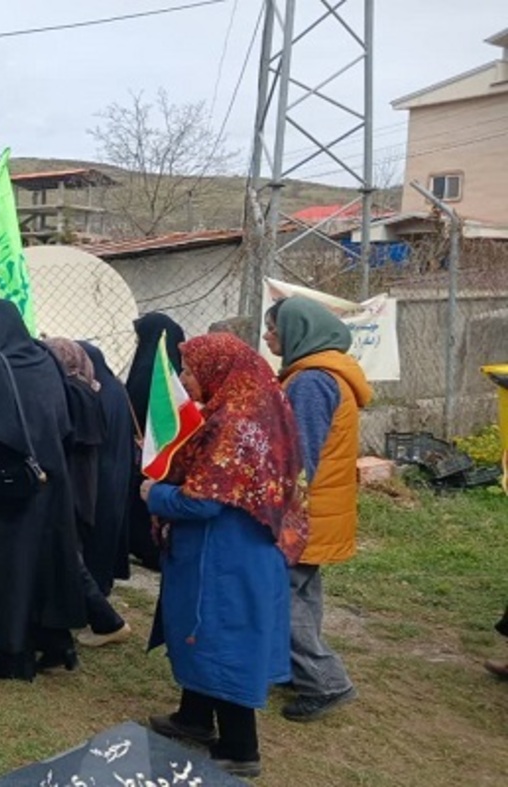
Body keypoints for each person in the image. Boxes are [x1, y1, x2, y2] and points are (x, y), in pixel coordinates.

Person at [143, 332, 306, 779]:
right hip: (239, 549)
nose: (185, 378)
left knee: (222, 638)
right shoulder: (261, 404)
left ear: (219, 369)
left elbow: (203, 502)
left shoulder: (234, 422)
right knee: (206, 633)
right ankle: (193, 716)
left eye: (191, 369)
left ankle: (240, 748)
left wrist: (155, 494)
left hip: (226, 554)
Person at [0, 296, 86, 682]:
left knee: (7, 569)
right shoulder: (44, 356)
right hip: (51, 477)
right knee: (47, 564)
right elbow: (64, 417)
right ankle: (55, 643)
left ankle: (11, 657)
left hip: (10, 485)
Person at [265, 295, 372, 722]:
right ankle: (301, 671)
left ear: (297, 332)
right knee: (302, 592)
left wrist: (276, 505)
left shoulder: (312, 381)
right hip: (322, 509)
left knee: (282, 595)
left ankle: (326, 682)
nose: (269, 336)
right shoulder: (328, 373)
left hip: (305, 511)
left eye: (273, 329)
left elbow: (299, 451)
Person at [45, 337, 132, 656]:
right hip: (107, 477)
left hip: (89, 482)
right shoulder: (106, 387)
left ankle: (104, 619)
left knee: (74, 552)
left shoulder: (82, 395)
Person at [124, 313, 185, 571]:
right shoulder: (176, 370)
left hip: (144, 447)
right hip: (166, 446)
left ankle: (142, 544)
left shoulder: (146, 369)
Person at [79, 341, 137, 593]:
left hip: (101, 470)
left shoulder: (99, 392)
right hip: (117, 467)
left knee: (98, 530)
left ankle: (96, 589)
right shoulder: (115, 387)